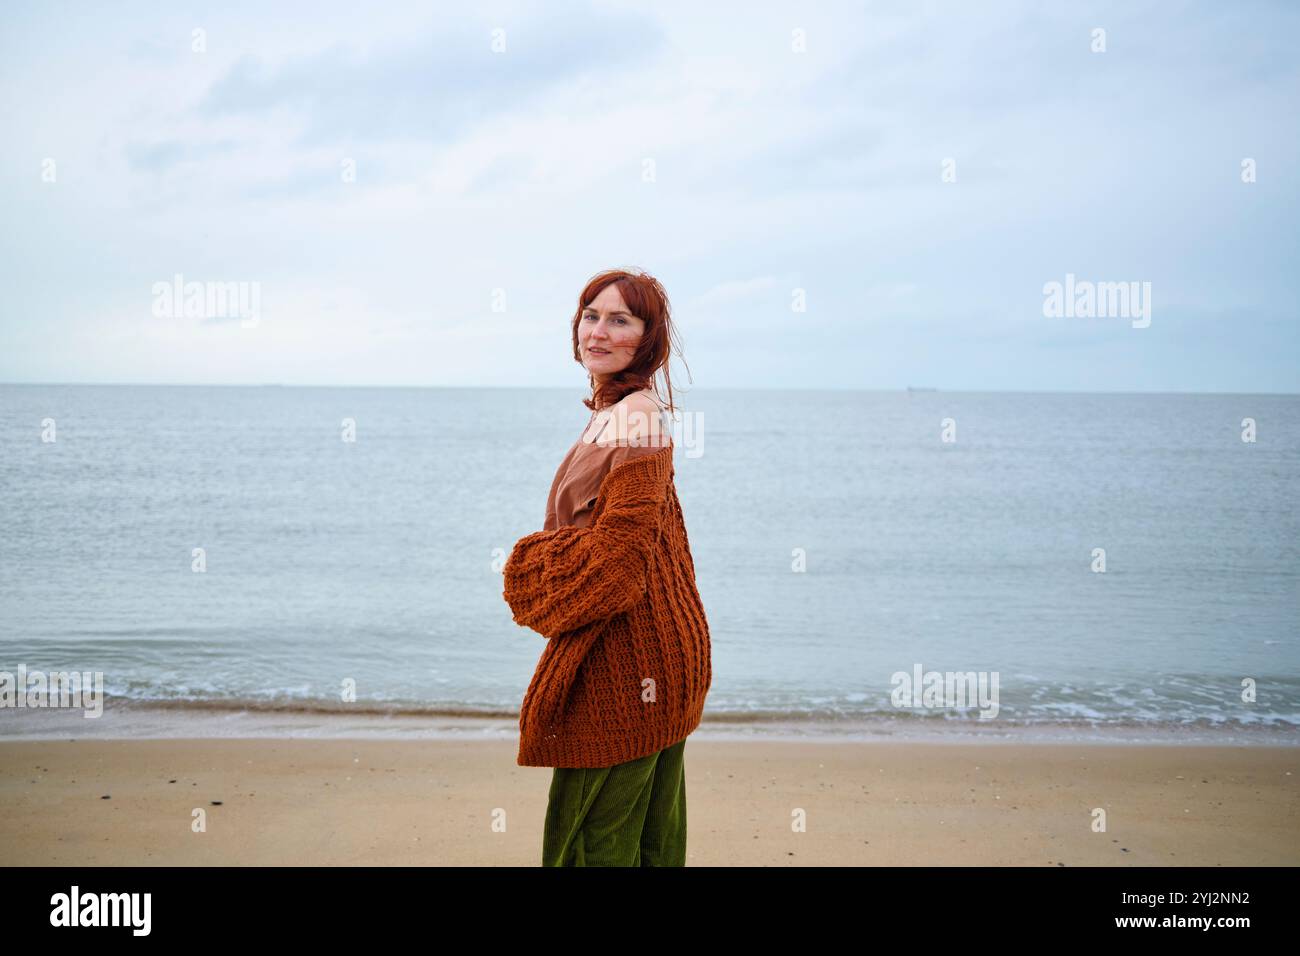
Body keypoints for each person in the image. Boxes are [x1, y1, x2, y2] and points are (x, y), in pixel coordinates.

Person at [502, 268, 712, 866]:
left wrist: (527, 566)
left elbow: (617, 566)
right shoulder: (616, 412)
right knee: (650, 835)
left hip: (630, 661)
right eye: (591, 315)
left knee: (590, 842)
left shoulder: (638, 416)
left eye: (619, 319)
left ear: (646, 339)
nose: (598, 331)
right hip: (662, 652)